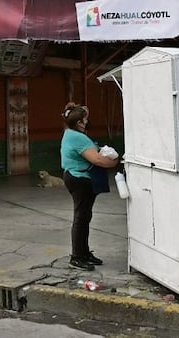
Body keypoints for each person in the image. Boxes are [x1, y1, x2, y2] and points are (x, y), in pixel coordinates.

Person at [60, 102, 118, 271]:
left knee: (85, 217)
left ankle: (84, 253)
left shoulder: (71, 133)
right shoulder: (76, 137)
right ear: (79, 122)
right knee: (81, 218)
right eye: (85, 119)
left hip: (78, 177)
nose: (87, 121)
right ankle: (77, 257)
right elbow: (97, 159)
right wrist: (114, 162)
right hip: (79, 179)